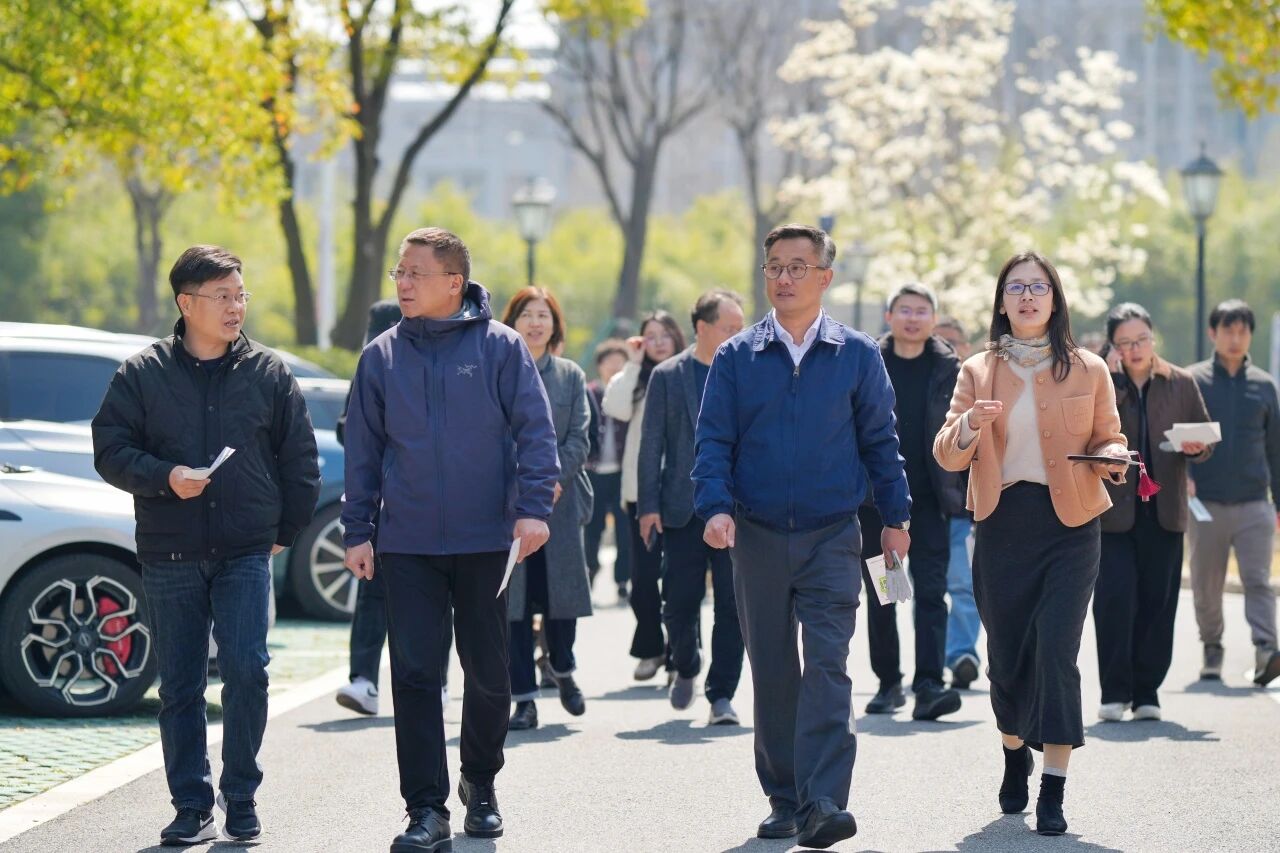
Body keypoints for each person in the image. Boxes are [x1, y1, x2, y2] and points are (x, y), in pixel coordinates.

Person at [92, 245, 321, 846]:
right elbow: (110, 450)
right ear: (186, 303)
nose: (235, 307)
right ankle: (191, 805)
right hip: (170, 550)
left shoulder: (269, 373)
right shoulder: (142, 374)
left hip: (246, 550)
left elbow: (300, 459)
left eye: (240, 295)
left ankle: (240, 795)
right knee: (180, 685)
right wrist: (166, 476)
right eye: (223, 296)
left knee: (247, 671)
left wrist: (285, 532)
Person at [693, 224, 911, 849]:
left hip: (833, 535)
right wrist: (714, 507)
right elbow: (714, 440)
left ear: (825, 278)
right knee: (773, 669)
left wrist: (895, 519)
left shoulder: (857, 354)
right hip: (756, 533)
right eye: (774, 267)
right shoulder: (737, 356)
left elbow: (881, 443)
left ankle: (824, 800)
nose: (784, 278)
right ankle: (784, 798)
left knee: (828, 664)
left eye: (797, 267)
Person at [342, 227, 559, 852]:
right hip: (406, 543)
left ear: (454, 282)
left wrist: (532, 509)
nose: (403, 283)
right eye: (399, 273)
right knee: (413, 674)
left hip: (486, 538)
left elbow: (535, 429)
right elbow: (363, 450)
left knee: (488, 672)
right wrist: (359, 531)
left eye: (416, 273)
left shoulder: (500, 347)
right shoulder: (381, 356)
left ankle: (480, 783)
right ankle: (425, 808)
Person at [933, 250, 1127, 837]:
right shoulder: (977, 369)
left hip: (1071, 524)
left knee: (1057, 652)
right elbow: (947, 453)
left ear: (1055, 298)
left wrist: (1113, 455)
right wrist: (971, 424)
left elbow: (1108, 437)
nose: (1026, 297)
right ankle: (1014, 751)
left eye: (1038, 287)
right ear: (1001, 301)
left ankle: (1054, 786)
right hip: (1001, 523)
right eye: (1015, 287)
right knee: (1008, 655)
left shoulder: (1090, 368)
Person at [333, 298, 454, 717]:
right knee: (372, 589)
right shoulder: (372, 366)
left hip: (430, 502)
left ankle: (437, 680)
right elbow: (349, 431)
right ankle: (363, 680)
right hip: (381, 504)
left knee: (436, 593)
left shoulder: (437, 362)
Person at [1094, 303, 1213, 722]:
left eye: (1141, 339)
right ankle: (1114, 691)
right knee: (1114, 599)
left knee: (1157, 602)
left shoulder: (1180, 381)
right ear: (1112, 346)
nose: (1135, 349)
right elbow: (1093, 433)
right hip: (1113, 512)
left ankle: (1147, 691)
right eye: (1124, 342)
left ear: (1153, 337)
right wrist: (1113, 378)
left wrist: (1197, 448)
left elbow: (1204, 436)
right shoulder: (1102, 382)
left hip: (1164, 511)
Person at [639, 289, 747, 724]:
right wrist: (648, 505)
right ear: (702, 327)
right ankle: (685, 663)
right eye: (728, 328)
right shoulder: (669, 375)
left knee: (732, 604)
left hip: (737, 508)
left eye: (741, 328)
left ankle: (721, 694)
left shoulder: (748, 371)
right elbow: (652, 445)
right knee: (679, 600)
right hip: (682, 508)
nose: (737, 335)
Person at [860, 283, 965, 721]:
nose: (913, 318)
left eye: (922, 311)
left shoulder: (950, 367)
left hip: (930, 501)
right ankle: (889, 683)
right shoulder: (869, 361)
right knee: (886, 594)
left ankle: (928, 684)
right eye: (905, 310)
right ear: (889, 316)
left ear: (933, 318)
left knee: (931, 593)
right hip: (881, 505)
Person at [500, 286, 594, 731]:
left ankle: (561, 665)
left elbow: (579, 437)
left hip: (561, 501)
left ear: (555, 325)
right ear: (512, 322)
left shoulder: (570, 375)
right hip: (509, 507)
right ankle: (524, 701)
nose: (536, 323)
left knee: (563, 602)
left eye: (544, 315)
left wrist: (552, 482)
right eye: (527, 314)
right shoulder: (498, 371)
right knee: (514, 609)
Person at [1187, 299, 1280, 686]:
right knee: (1207, 584)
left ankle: (1267, 649)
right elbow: (1175, 438)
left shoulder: (1265, 385)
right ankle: (1212, 646)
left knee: (1258, 579)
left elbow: (1275, 449)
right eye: (1229, 330)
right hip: (1205, 503)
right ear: (1214, 333)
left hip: (1255, 503)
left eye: (1243, 331)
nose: (1236, 338)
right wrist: (1184, 478)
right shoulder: (1192, 381)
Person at [602, 311, 685, 681]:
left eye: (665, 334)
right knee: (643, 579)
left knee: (681, 579)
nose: (659, 342)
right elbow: (615, 408)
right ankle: (651, 648)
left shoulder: (690, 372)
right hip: (640, 493)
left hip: (683, 491)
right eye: (650, 335)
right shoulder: (633, 379)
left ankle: (682, 651)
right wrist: (634, 363)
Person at [934, 316, 982, 689]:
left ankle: (962, 654)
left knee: (964, 586)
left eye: (954, 342)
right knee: (923, 591)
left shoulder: (979, 388)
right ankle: (929, 659)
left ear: (966, 348)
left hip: (963, 512)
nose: (948, 349)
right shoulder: (921, 385)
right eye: (941, 341)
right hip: (922, 511)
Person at [585, 339, 632, 602]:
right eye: (609, 362)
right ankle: (591, 569)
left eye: (619, 362)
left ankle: (622, 578)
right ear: (600, 365)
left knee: (625, 529)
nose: (614, 367)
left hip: (621, 472)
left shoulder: (630, 393)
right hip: (593, 471)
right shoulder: (588, 393)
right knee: (592, 527)